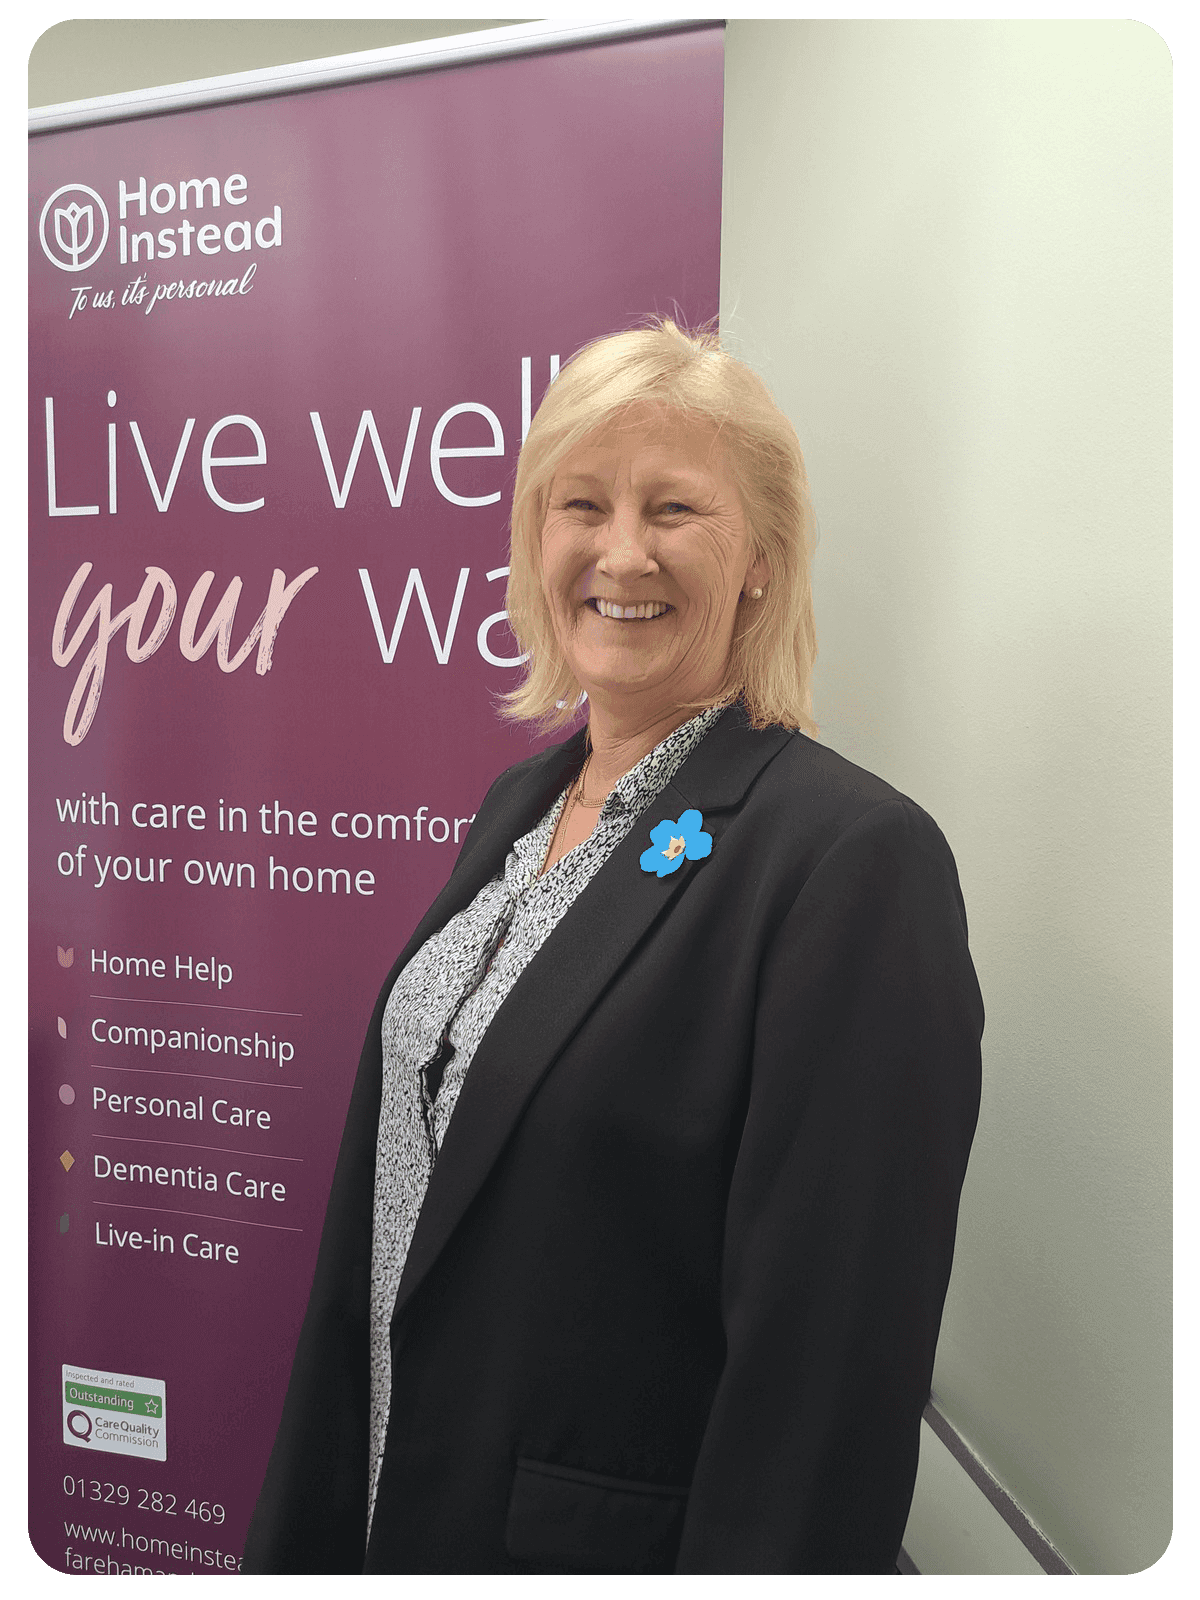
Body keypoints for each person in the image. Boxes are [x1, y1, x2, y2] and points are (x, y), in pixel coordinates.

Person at [242, 320, 983, 1575]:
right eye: (580, 503)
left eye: (675, 507)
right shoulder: (518, 806)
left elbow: (826, 1386)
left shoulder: (848, 865)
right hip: (383, 1504)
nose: (620, 550)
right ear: (539, 540)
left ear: (759, 556)